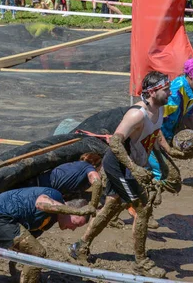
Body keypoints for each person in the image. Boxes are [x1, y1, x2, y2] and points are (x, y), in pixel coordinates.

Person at [68, 71, 172, 278]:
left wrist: (168, 158)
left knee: (110, 208)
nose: (170, 93)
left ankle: (80, 245)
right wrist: (134, 169)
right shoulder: (136, 114)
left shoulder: (159, 110)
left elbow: (152, 137)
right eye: (166, 89)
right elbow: (115, 141)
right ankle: (141, 262)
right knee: (142, 209)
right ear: (152, 92)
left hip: (133, 166)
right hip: (120, 167)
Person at [0, 187, 93, 282]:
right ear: (70, 209)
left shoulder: (50, 220)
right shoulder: (54, 196)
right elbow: (40, 203)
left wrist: (15, 261)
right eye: (76, 222)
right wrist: (73, 211)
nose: (73, 228)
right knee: (38, 253)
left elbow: (27, 240)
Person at [33, 153, 102, 209]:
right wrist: (93, 206)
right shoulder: (89, 167)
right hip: (45, 189)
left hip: (40, 179)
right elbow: (97, 183)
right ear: (96, 165)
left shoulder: (74, 163)